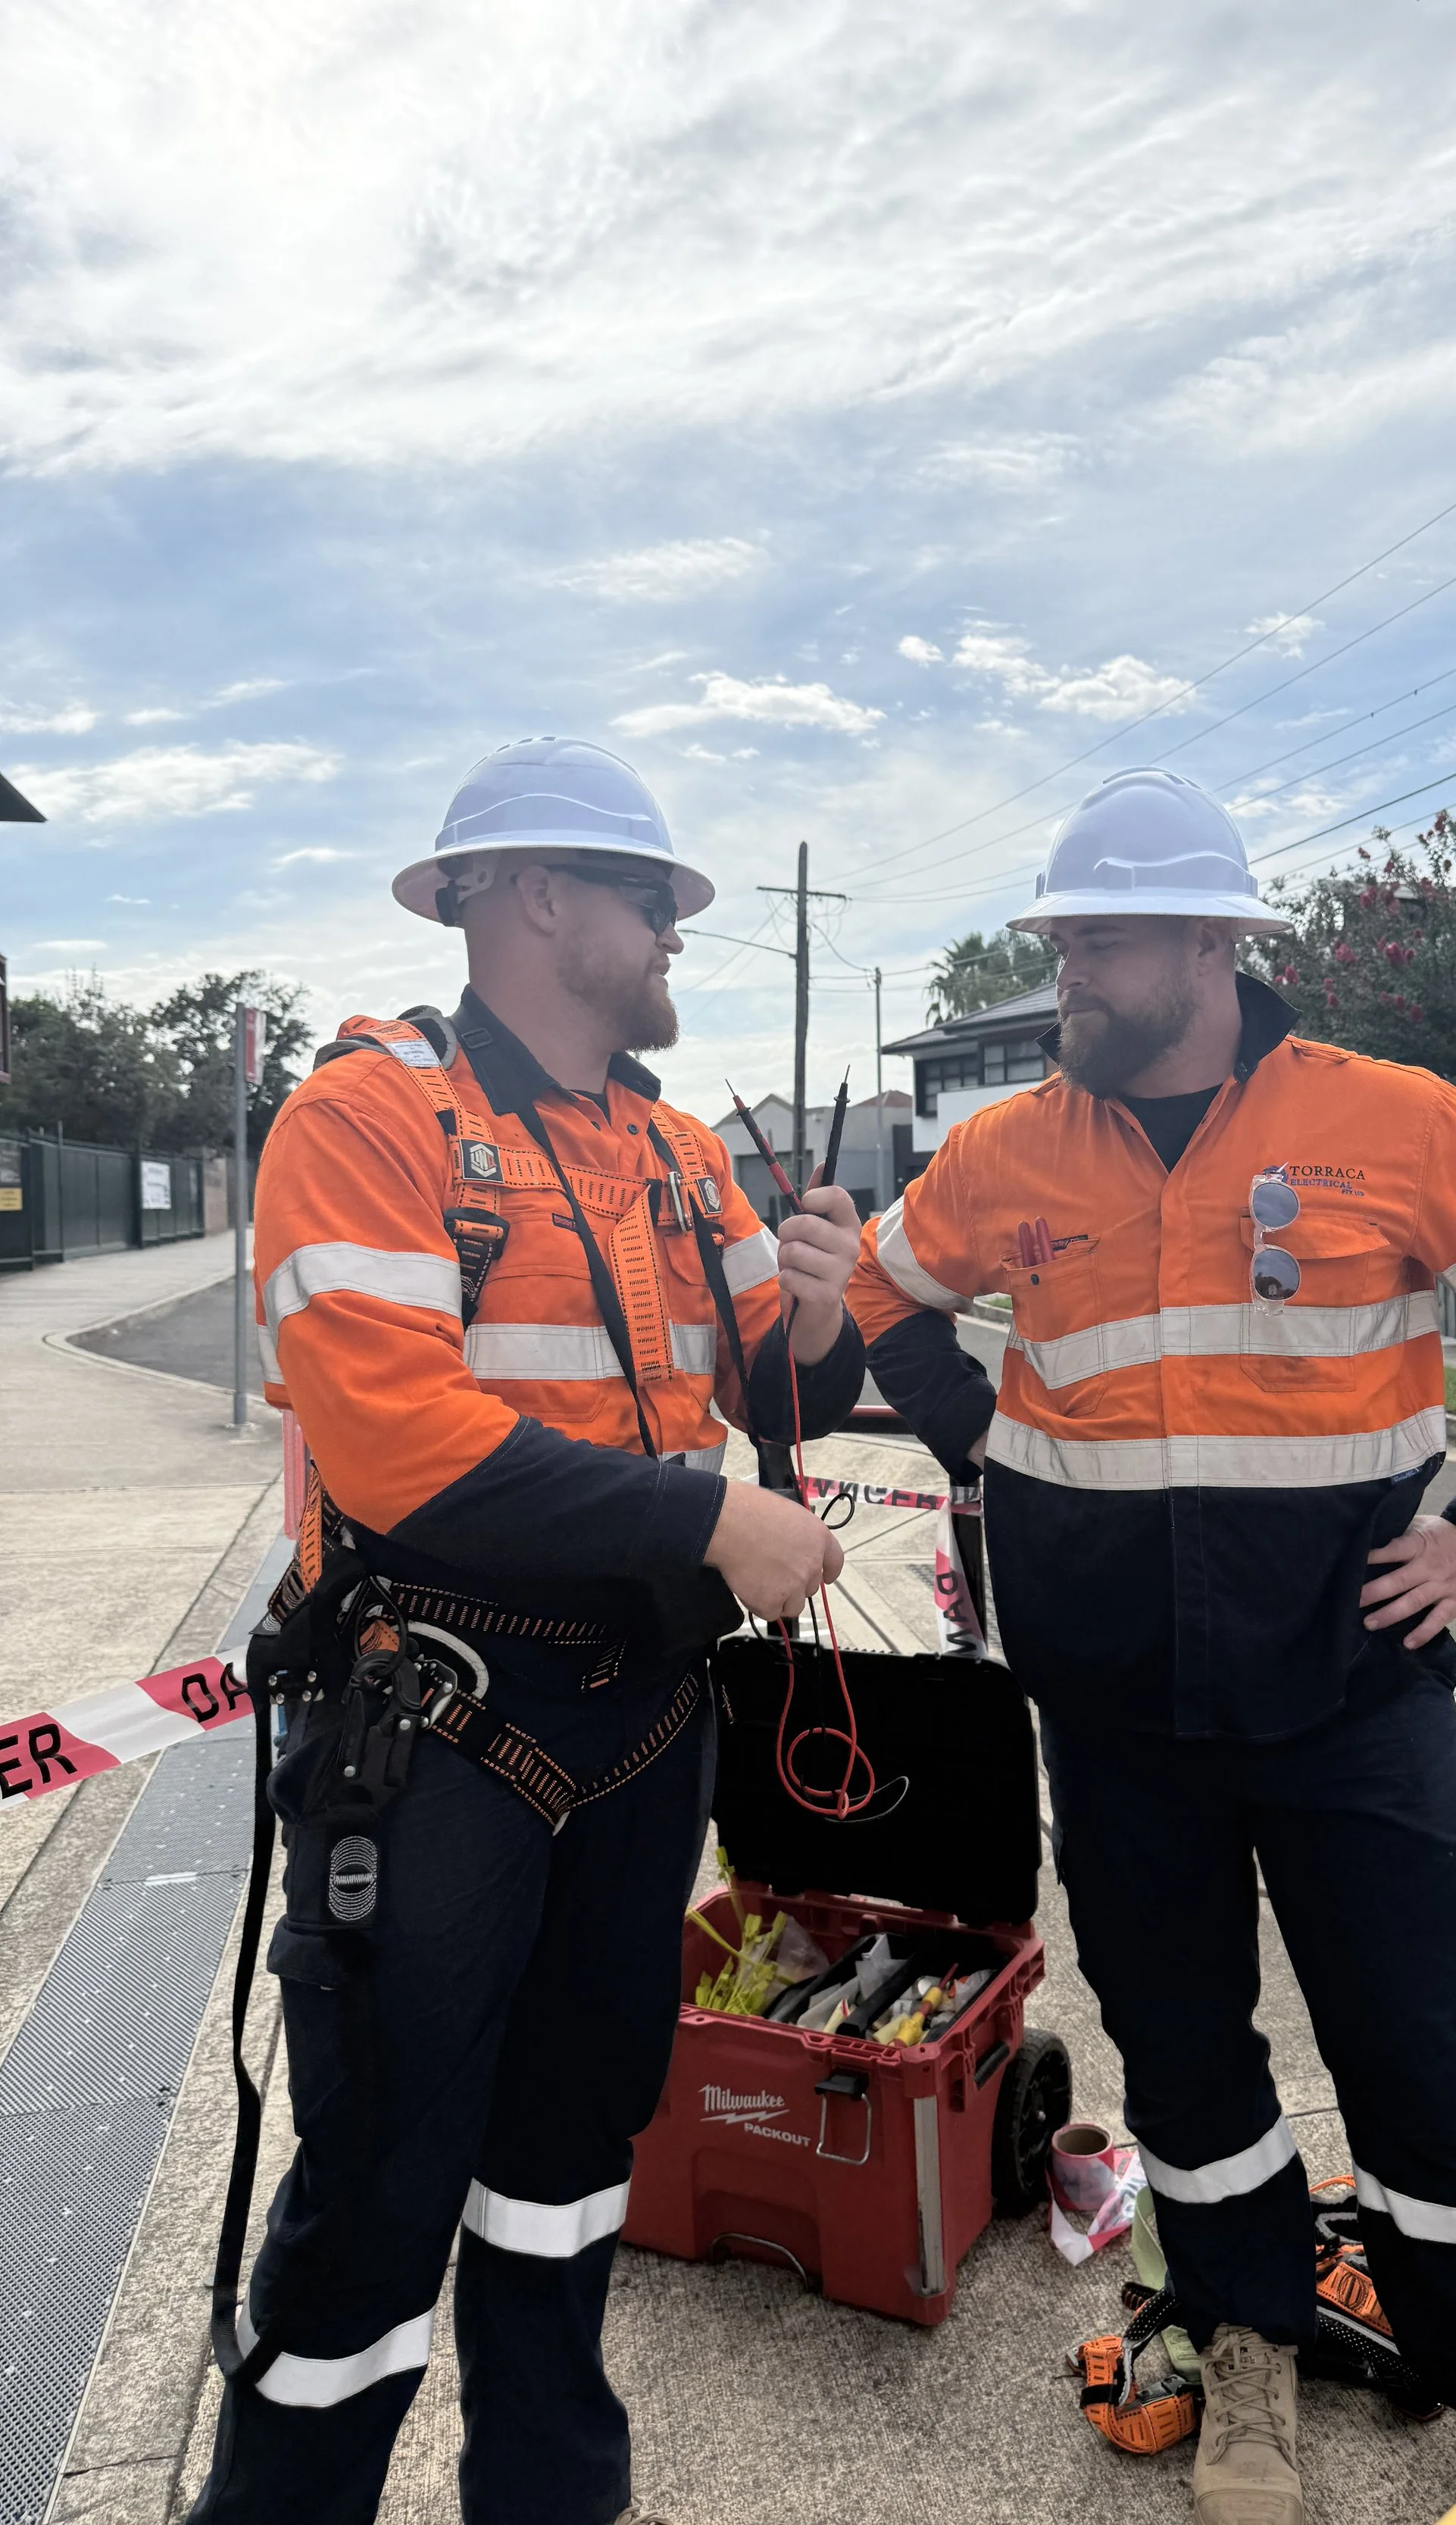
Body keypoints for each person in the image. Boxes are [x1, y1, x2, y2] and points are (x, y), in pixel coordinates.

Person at [848, 768, 1456, 2525]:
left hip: (1352, 1695)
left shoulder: (1394, 1119)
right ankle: (1248, 2345)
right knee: (1186, 2059)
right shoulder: (1007, 1149)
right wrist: (972, 1437)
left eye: (1098, 942)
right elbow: (882, 1288)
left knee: (1420, 2053)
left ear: (1209, 942)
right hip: (1118, 1710)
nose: (1067, 977)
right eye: (1057, 944)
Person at [188, 737, 864, 2525]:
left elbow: (771, 1385)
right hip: (439, 1730)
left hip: (641, 1717)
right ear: (538, 898)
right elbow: (400, 1448)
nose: (673, 933)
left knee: (574, 2159)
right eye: (650, 899)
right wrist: (708, 1516)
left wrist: (821, 1308)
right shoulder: (366, 1118)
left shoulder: (671, 1149)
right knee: (383, 2182)